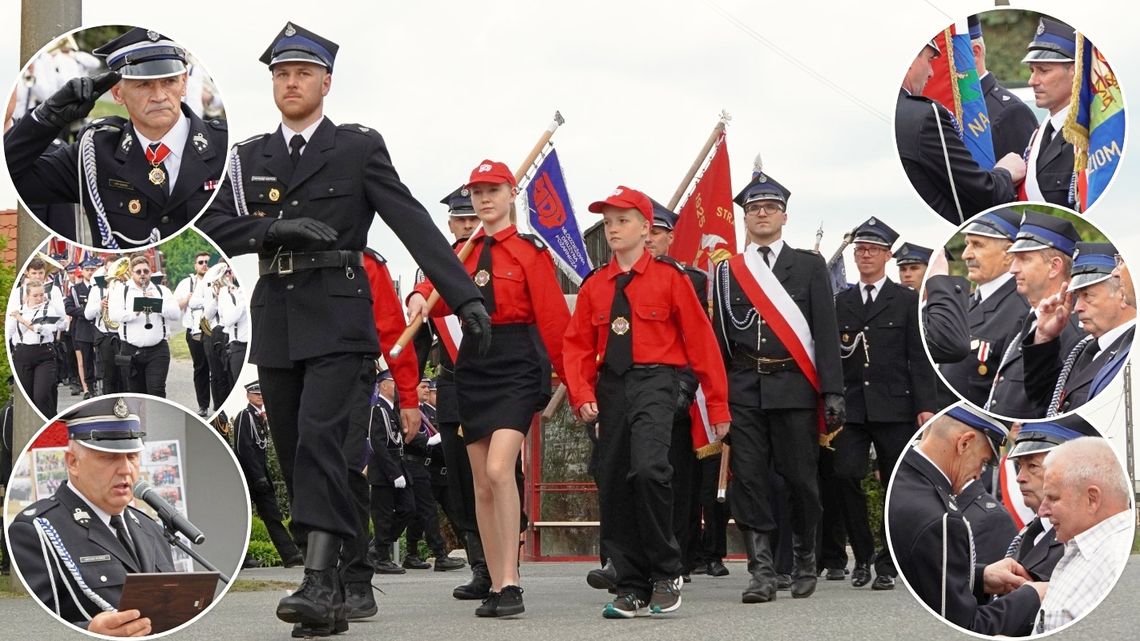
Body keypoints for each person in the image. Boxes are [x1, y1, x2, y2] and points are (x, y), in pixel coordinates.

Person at [196, 22, 486, 635]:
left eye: (302, 73)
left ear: (326, 82)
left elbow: (411, 221)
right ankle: (334, 588)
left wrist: (460, 298)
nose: (290, 83)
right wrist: (273, 232)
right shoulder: (248, 157)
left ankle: (320, 582)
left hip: (339, 316)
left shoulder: (356, 148)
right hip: (276, 317)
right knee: (295, 448)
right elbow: (214, 223)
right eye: (280, 73)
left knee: (322, 444)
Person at [408, 160, 569, 617]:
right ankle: (497, 584)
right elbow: (431, 283)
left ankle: (514, 581)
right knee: (481, 485)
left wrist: (577, 382)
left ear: (510, 193)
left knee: (500, 469)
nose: (483, 199)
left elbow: (555, 320)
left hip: (517, 362)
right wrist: (417, 295)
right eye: (477, 191)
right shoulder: (462, 252)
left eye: (492, 190)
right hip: (474, 366)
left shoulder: (529, 252)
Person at [563, 186, 728, 618]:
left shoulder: (671, 279)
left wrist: (720, 405)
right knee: (614, 477)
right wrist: (581, 395)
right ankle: (631, 584)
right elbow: (576, 346)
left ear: (645, 227)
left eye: (623, 220)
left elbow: (702, 343)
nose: (614, 229)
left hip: (657, 381)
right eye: (609, 222)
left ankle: (666, 571)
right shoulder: (596, 285)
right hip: (610, 387)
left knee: (651, 469)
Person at [710, 172, 844, 603]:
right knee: (747, 480)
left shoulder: (808, 265)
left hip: (794, 386)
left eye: (769, 207)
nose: (761, 213)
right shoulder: (728, 271)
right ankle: (761, 572)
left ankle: (805, 558)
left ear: (784, 216)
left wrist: (833, 392)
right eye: (753, 208)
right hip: (745, 387)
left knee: (801, 480)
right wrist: (717, 399)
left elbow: (825, 330)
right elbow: (718, 340)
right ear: (745, 218)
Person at [3, 28, 228, 249]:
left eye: (168, 82)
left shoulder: (223, 144)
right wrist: (46, 118)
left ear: (184, 84)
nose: (159, 96)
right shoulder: (95, 153)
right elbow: (12, 177)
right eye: (144, 85)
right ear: (118, 94)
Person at [7, 397, 174, 636]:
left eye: (132, 456)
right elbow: (27, 627)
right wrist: (88, 632)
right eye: (109, 457)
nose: (126, 469)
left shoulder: (150, 527)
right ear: (73, 462)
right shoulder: (36, 531)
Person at [831, 217, 936, 590]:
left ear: (887, 256)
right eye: (860, 249)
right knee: (844, 474)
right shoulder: (840, 301)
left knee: (895, 484)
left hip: (896, 406)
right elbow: (831, 355)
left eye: (873, 250)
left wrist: (925, 405)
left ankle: (889, 562)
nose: (865, 256)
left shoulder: (906, 300)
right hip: (853, 406)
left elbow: (918, 357)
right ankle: (861, 555)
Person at [888, 406, 1044, 635]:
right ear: (963, 444)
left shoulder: (903, 478)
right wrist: (1032, 596)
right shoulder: (942, 519)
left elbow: (927, 576)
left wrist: (979, 577)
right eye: (982, 462)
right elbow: (964, 628)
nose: (979, 475)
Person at [895, 40, 1026, 224]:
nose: (932, 73)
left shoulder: (1011, 109)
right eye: (930, 60)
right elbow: (977, 194)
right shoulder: (924, 116)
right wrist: (1005, 173)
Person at [986, 212, 1083, 418]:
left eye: (1023, 259)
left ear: (1054, 266)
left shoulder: (1073, 328)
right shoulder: (1027, 319)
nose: (1012, 269)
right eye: (1013, 259)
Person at [1034, 437, 1133, 633]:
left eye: (1053, 498)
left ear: (1092, 499)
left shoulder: (1116, 560)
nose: (1042, 511)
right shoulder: (1084, 549)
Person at [1025, 242, 1134, 415]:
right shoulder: (1087, 349)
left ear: (1122, 294)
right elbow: (1045, 403)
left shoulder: (1131, 352)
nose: (1077, 308)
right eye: (1077, 297)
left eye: (1087, 296)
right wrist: (1044, 338)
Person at [933, 208, 1028, 408]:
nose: (966, 255)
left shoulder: (1022, 311)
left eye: (977, 245)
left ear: (1009, 254)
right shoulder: (968, 302)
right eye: (967, 244)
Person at [1005, 418, 1098, 581]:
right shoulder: (1030, 533)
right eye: (1020, 466)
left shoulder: (1082, 544)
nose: (1020, 478)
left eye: (1032, 466)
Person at [233, 381, 302, 568]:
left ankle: (290, 555)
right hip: (249, 478)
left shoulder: (260, 418)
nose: (259, 397)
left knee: (273, 516)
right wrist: (257, 476)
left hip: (261, 477)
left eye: (261, 394)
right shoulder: (245, 416)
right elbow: (243, 448)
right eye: (255, 394)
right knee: (243, 518)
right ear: (248, 396)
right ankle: (242, 557)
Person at [1019, 18, 1078, 208]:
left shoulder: (1085, 138)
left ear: (1075, 71)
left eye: (1043, 70)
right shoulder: (1040, 133)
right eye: (1032, 70)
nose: (1032, 81)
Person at [107, 254, 180, 396]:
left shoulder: (161, 291)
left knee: (157, 390)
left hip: (158, 350)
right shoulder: (122, 291)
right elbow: (114, 315)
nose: (142, 275)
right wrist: (134, 312)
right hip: (131, 349)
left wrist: (157, 304)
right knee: (136, 393)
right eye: (138, 272)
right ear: (131, 273)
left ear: (150, 272)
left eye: (146, 271)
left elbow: (176, 314)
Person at [968, 16, 1038, 160]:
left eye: (948, 57)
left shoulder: (1011, 112)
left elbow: (1023, 179)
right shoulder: (948, 107)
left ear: (975, 53)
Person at [7, 280, 65, 417]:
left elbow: (45, 330)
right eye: (35, 295)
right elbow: (9, 332)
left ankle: (48, 425)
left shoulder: (49, 309)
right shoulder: (19, 310)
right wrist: (14, 318)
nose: (39, 298)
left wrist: (22, 320)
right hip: (22, 353)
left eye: (41, 295)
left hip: (44, 353)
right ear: (27, 296)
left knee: (42, 395)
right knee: (26, 397)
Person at [173, 252, 212, 416]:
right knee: (201, 367)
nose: (204, 265)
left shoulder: (215, 280)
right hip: (194, 330)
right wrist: (188, 299)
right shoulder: (186, 283)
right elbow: (175, 308)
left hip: (212, 330)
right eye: (200, 262)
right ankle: (203, 405)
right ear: (195, 265)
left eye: (207, 262)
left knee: (218, 369)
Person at [84, 259, 125, 396]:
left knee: (127, 377)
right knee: (110, 376)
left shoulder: (127, 287)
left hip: (126, 336)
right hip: (106, 337)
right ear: (106, 270)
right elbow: (88, 314)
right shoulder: (97, 289)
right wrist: (100, 306)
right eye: (111, 269)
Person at [65, 257, 100, 399]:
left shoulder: (99, 288)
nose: (90, 272)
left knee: (99, 360)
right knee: (85, 361)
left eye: (92, 269)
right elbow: (68, 308)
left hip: (98, 328)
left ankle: (98, 386)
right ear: (82, 271)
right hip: (83, 329)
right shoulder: (76, 289)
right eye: (87, 270)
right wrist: (85, 312)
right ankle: (88, 389)